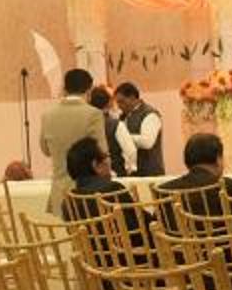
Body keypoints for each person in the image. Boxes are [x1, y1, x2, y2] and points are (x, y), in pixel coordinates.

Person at [38, 67, 103, 212]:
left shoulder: (47, 115)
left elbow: (46, 150)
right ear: (89, 89)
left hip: (59, 192)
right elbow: (102, 152)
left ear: (65, 89)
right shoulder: (94, 114)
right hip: (86, 193)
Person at [110, 80, 165, 178]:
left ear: (132, 98)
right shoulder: (123, 116)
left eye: (121, 102)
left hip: (149, 172)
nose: (119, 106)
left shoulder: (150, 114)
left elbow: (147, 142)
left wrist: (123, 137)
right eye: (117, 103)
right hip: (131, 173)